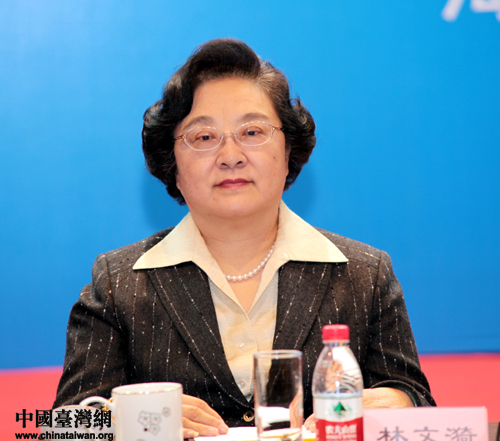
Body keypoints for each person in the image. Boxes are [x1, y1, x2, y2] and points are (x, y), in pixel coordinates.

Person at [54, 38, 435, 438]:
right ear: (173, 164)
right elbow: (61, 427)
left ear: (288, 150)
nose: (231, 155)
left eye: (252, 131)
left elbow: (417, 401)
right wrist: (132, 418)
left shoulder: (363, 275)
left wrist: (400, 404)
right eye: (204, 137)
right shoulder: (119, 283)